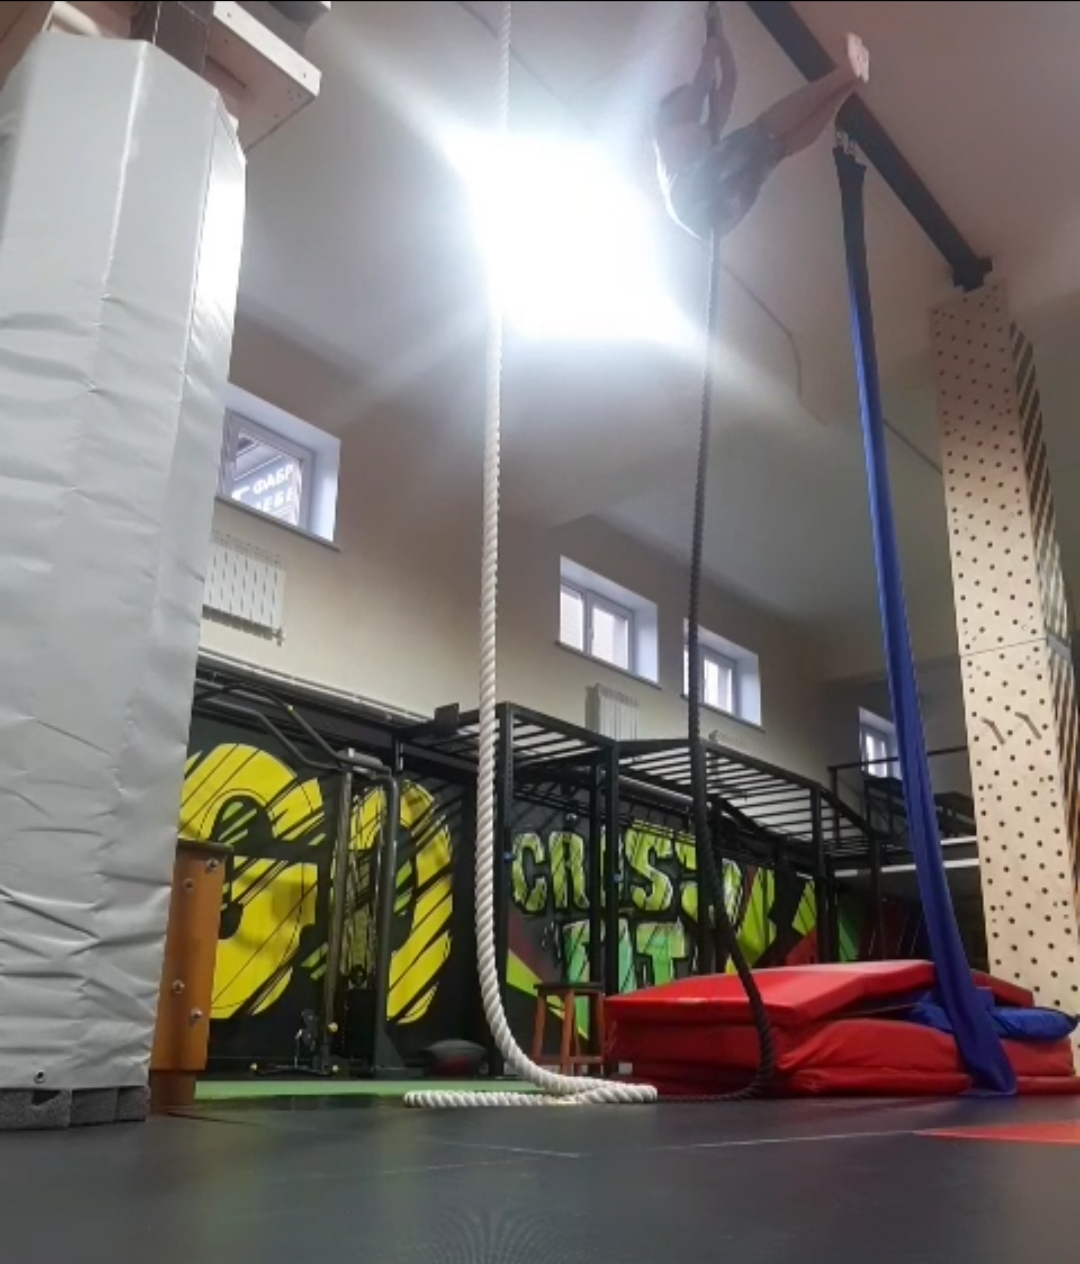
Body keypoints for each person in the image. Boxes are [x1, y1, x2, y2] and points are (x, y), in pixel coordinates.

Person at [656, 19, 870, 241]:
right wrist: (711, 48)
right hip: (688, 193)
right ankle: (849, 71)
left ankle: (850, 84)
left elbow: (729, 81)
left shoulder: (702, 138)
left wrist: (719, 36)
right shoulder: (667, 121)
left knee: (778, 148)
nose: (697, 104)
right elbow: (703, 80)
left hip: (709, 222)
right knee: (763, 129)